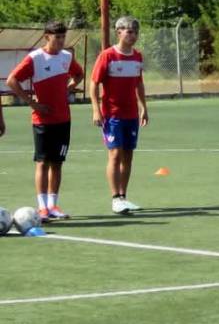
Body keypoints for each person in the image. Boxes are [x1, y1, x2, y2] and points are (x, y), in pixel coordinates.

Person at [6, 21, 84, 222]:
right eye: (56, 37)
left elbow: (79, 73)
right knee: (42, 162)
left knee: (57, 163)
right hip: (42, 119)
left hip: (63, 118)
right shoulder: (35, 58)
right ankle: (41, 208)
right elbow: (12, 80)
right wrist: (33, 103)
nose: (60, 41)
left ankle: (52, 205)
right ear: (46, 37)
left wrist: (69, 87)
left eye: (62, 37)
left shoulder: (67, 57)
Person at [90, 16, 149, 214]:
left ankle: (123, 196)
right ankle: (115, 198)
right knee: (115, 154)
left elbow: (138, 83)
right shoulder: (107, 56)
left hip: (131, 114)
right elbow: (93, 84)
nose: (132, 35)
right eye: (129, 31)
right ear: (119, 32)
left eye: (135, 32)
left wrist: (143, 107)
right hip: (112, 114)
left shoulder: (137, 56)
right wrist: (96, 109)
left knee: (128, 155)